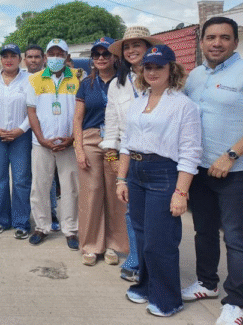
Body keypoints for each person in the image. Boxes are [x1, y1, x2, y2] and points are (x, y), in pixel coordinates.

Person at [182, 17, 243, 325]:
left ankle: (236, 302)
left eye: (224, 37)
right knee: (204, 232)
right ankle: (207, 283)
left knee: (236, 238)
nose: (217, 43)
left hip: (237, 172)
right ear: (202, 42)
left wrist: (231, 155)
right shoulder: (194, 77)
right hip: (199, 169)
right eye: (211, 37)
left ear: (236, 42)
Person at [117, 45, 201, 317]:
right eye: (148, 67)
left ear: (171, 69)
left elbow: (190, 152)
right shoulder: (139, 101)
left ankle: (167, 299)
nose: (152, 72)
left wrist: (181, 192)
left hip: (164, 173)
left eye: (159, 67)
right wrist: (121, 179)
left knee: (159, 241)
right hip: (137, 174)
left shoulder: (183, 105)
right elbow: (126, 143)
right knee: (141, 236)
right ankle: (144, 286)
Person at [102, 25, 161, 282]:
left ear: (148, 48)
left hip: (161, 157)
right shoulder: (117, 84)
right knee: (132, 211)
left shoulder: (163, 79)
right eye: (127, 46)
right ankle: (135, 257)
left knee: (160, 214)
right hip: (130, 157)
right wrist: (114, 160)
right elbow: (112, 125)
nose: (132, 50)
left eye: (137, 45)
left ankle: (158, 263)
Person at [72, 37, 128, 266]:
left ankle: (113, 245)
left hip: (117, 140)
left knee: (115, 195)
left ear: (115, 56)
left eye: (106, 54)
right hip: (92, 139)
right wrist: (79, 149)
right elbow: (77, 118)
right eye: (96, 55)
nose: (101, 58)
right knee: (92, 193)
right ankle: (91, 246)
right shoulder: (87, 83)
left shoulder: (126, 81)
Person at [26, 38, 80, 248]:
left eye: (60, 54)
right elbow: (31, 111)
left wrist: (73, 138)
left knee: (70, 188)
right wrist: (41, 138)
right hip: (42, 144)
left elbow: (80, 112)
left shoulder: (77, 79)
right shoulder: (35, 79)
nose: (56, 58)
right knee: (40, 186)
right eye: (52, 54)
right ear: (46, 56)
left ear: (67, 57)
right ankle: (42, 226)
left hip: (69, 144)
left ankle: (70, 229)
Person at [0, 44, 33, 239]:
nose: (9, 59)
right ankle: (2, 220)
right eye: (5, 56)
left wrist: (21, 129)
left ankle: (21, 221)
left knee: (21, 180)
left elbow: (34, 109)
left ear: (20, 59)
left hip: (21, 136)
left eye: (13, 56)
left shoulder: (30, 80)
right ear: (0, 59)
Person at [25, 44, 61, 231]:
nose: (33, 60)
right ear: (25, 59)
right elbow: (30, 110)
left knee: (51, 180)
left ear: (43, 59)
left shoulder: (58, 78)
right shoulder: (27, 79)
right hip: (31, 137)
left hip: (53, 139)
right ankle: (36, 220)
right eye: (30, 57)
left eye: (37, 57)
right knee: (34, 181)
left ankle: (53, 213)